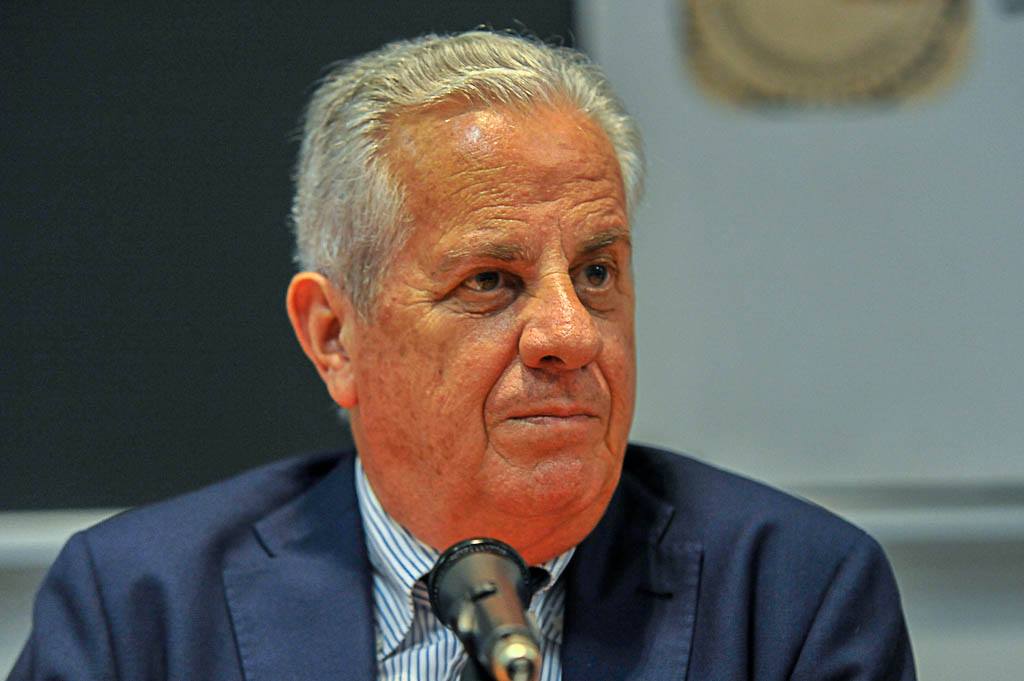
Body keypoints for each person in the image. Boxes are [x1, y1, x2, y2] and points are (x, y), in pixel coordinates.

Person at [9, 31, 916, 681]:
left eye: (597, 271)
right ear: (334, 336)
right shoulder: (139, 611)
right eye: (491, 280)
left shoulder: (792, 598)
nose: (570, 333)